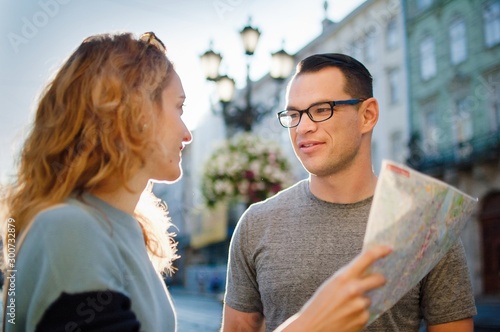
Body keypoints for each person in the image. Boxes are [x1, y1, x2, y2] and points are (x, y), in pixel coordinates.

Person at [1, 33, 391, 332]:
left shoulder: (116, 228)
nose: (187, 133)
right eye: (178, 108)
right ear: (132, 114)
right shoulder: (70, 229)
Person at [223, 53, 477, 332]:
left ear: (367, 115)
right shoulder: (256, 223)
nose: (303, 127)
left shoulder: (425, 222)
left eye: (321, 109)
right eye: (294, 114)